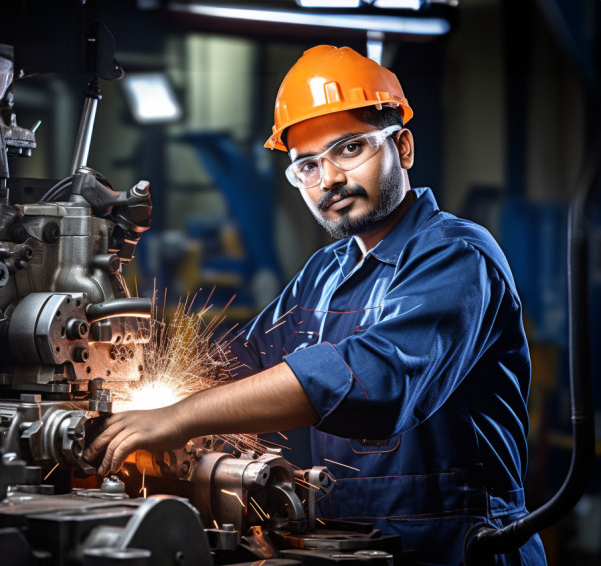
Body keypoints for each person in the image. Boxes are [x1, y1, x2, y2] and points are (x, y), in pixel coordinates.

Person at [84, 45, 546, 565]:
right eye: (307, 165)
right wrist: (113, 372)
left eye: (349, 149)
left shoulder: (457, 255)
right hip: (356, 547)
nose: (328, 180)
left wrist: (177, 416)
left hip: (463, 548)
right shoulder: (325, 271)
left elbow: (377, 381)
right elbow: (240, 365)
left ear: (404, 147)